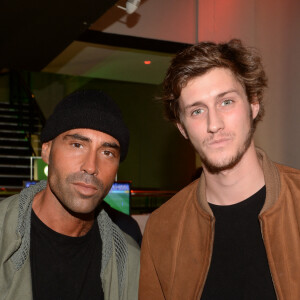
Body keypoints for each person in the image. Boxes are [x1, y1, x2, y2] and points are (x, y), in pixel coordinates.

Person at [139, 39, 300, 299]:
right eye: (197, 111)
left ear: (253, 104)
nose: (214, 124)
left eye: (226, 102)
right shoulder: (162, 229)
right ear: (182, 128)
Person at [0, 90, 140, 300]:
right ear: (46, 151)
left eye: (107, 152)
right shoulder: (4, 235)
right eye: (77, 145)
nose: (91, 166)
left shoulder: (129, 259)